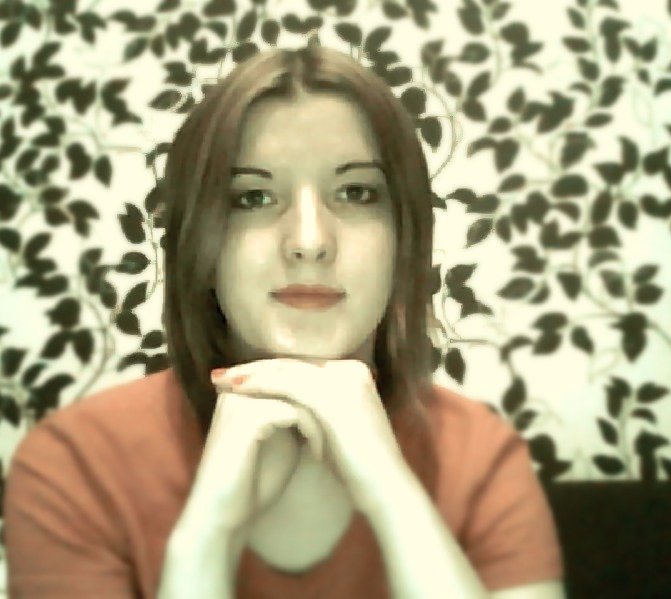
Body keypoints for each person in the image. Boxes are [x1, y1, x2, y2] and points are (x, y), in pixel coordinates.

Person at [3, 41, 565, 598]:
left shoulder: (481, 456)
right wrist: (205, 538)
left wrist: (393, 495)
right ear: (200, 242)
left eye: (357, 192)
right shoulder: (76, 464)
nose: (309, 241)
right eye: (251, 197)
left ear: (404, 235)